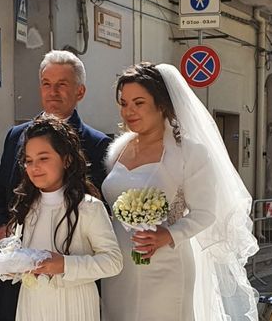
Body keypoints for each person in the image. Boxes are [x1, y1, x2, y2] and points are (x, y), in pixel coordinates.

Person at [101, 62, 259, 321]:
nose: (128, 111)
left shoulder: (189, 152)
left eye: (138, 103)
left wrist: (169, 235)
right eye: (123, 103)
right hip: (119, 266)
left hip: (165, 264)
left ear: (162, 104)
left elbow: (206, 212)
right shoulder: (119, 149)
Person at [0, 50, 111, 321]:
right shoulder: (16, 136)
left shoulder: (97, 145)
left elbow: (100, 215)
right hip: (12, 273)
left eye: (62, 84)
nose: (53, 91)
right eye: (46, 83)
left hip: (66, 279)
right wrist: (0, 228)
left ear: (80, 92)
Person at [7, 115, 122, 320]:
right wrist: (12, 266)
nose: (35, 167)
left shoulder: (89, 208)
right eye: (29, 161)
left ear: (66, 160)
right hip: (32, 304)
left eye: (43, 158)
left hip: (74, 305)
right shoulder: (27, 206)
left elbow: (113, 261)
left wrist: (65, 265)